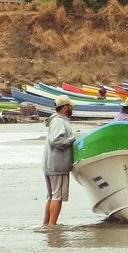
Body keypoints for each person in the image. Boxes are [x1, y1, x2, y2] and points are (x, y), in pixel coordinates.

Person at [42, 95, 78, 225]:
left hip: (50, 164)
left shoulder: (55, 120)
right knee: (57, 196)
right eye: (70, 106)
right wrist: (72, 140)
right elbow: (56, 140)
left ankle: (46, 224)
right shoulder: (59, 121)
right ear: (65, 108)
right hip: (58, 165)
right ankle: (52, 226)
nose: (72, 108)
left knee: (51, 196)